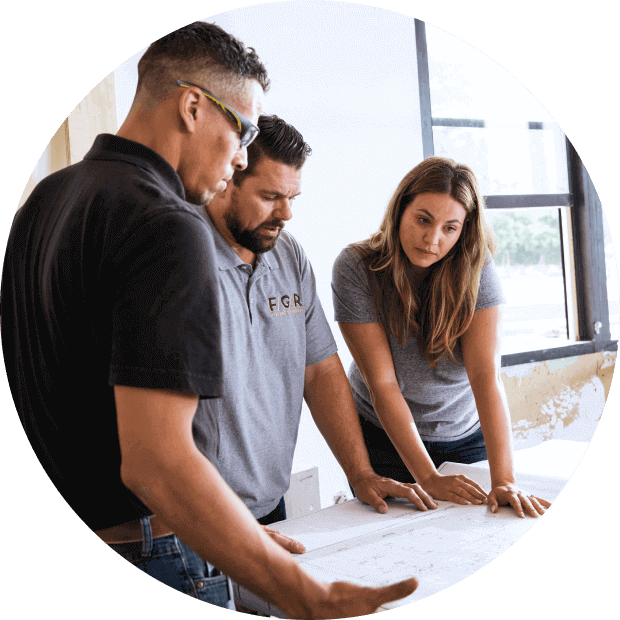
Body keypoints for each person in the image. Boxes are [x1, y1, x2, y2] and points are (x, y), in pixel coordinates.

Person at [1, 22, 419, 618]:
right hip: (153, 551)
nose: (243, 154)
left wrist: (234, 539)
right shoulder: (167, 225)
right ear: (193, 106)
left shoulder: (48, 197)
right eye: (241, 130)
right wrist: (306, 594)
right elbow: (156, 463)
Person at [194, 114, 439, 529]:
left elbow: (321, 371)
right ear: (226, 179)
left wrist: (360, 474)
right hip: (195, 513)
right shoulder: (179, 256)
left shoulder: (288, 255)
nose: (286, 213)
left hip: (270, 501)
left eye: (293, 197)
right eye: (270, 196)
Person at [332, 157, 552, 518]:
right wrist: (429, 478)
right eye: (423, 220)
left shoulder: (477, 268)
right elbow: (383, 385)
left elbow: (486, 378)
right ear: (400, 210)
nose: (432, 240)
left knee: (480, 529)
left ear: (464, 231)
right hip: (382, 434)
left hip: (464, 433)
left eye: (450, 228)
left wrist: (505, 480)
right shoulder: (357, 267)